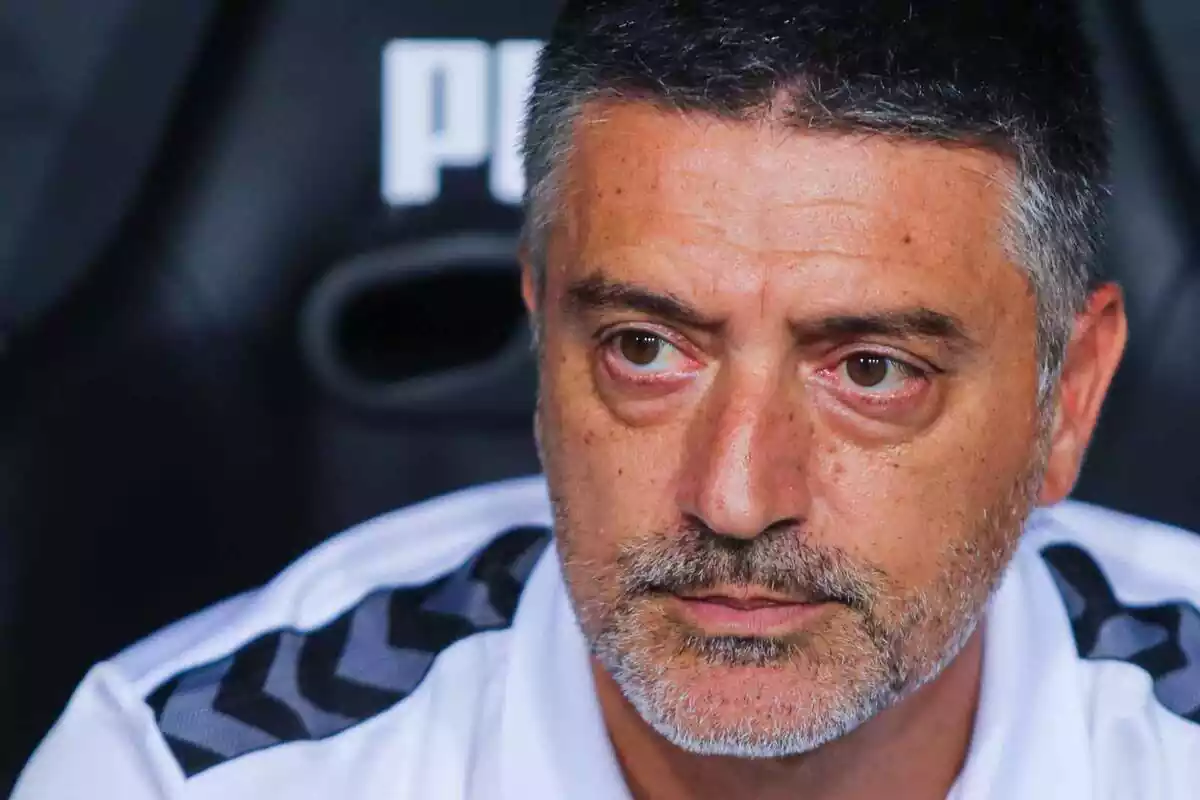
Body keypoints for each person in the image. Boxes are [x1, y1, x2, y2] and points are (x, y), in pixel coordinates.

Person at [14, 0, 1200, 798]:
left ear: (1069, 394)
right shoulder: (187, 774)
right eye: (646, 346)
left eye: (872, 369)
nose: (736, 495)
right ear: (544, 343)